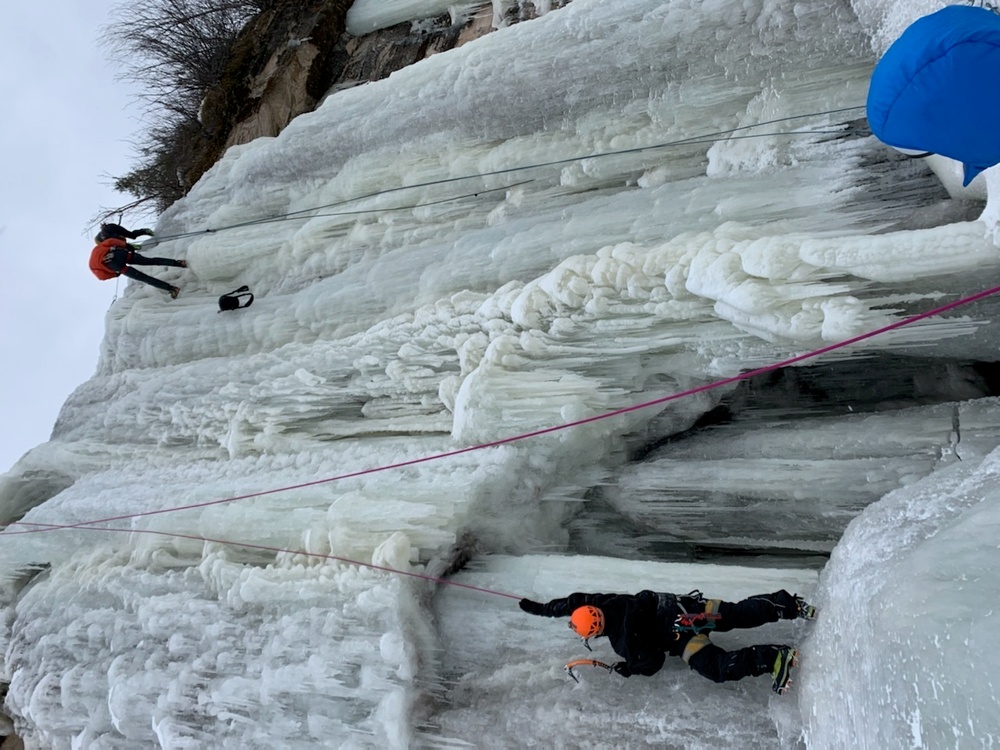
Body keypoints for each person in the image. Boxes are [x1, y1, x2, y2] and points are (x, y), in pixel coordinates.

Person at [518, 588, 816, 693]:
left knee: (716, 667)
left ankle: (774, 657)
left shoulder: (624, 644)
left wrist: (629, 668)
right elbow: (574, 601)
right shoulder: (608, 602)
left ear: (593, 632)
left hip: (683, 638)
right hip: (690, 611)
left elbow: (653, 662)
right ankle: (787, 604)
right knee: (735, 613)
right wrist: (543, 609)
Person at [89, 224, 187, 299]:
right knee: (150, 261)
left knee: (145, 278)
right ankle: (179, 263)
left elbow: (101, 276)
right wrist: (126, 246)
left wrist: (115, 275)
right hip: (121, 254)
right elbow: (111, 242)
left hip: (118, 266)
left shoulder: (93, 266)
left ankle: (172, 289)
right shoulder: (97, 248)